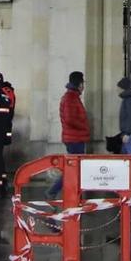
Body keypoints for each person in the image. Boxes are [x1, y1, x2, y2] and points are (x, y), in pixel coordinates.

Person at [50, 71, 88, 199]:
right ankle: (53, 191)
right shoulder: (71, 98)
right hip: (75, 138)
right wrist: (84, 127)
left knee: (75, 168)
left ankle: (76, 194)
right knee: (74, 169)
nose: (83, 86)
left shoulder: (72, 97)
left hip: (75, 137)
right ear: (79, 84)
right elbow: (70, 119)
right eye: (83, 83)